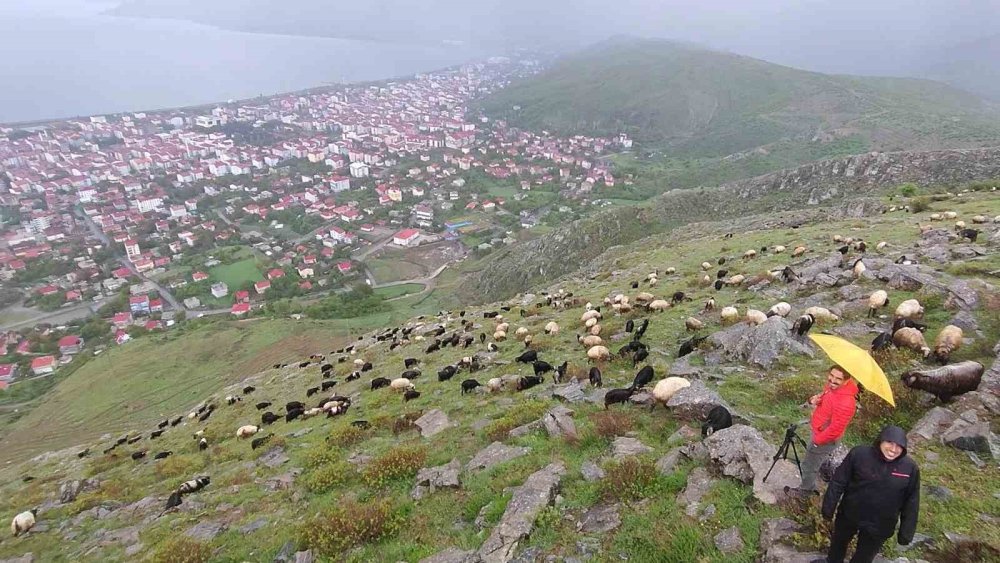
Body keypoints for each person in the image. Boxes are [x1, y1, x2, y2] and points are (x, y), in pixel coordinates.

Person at [821, 425, 920, 563]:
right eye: (890, 443)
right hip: (850, 513)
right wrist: (828, 507)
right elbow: (838, 481)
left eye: (899, 446)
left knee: (864, 557)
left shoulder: (910, 468)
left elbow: (912, 501)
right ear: (881, 440)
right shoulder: (859, 454)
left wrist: (906, 532)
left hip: (880, 524)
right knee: (838, 544)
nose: (893, 449)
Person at [795, 364, 859, 494]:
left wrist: (817, 441)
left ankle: (805, 491)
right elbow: (826, 399)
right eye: (831, 375)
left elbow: (835, 429)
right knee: (811, 460)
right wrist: (815, 400)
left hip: (824, 438)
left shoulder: (846, 402)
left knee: (809, 465)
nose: (832, 380)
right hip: (819, 430)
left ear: (846, 380)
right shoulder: (833, 389)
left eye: (838, 379)